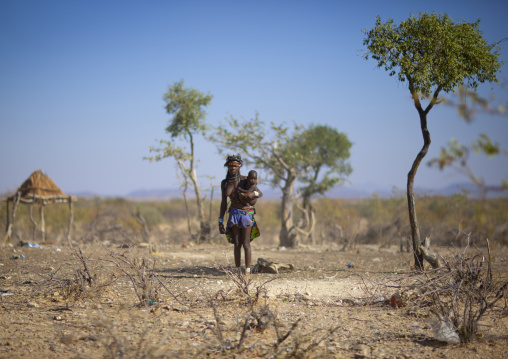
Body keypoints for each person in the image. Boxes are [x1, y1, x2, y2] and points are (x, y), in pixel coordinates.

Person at [219, 155, 262, 276]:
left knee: (246, 243)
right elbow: (223, 202)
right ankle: (238, 270)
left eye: (236, 165)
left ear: (239, 167)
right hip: (233, 214)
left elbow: (258, 193)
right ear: (227, 166)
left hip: (246, 214)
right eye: (231, 165)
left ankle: (247, 272)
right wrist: (220, 220)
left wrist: (252, 194)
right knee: (237, 243)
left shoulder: (245, 180)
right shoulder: (225, 183)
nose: (233, 168)